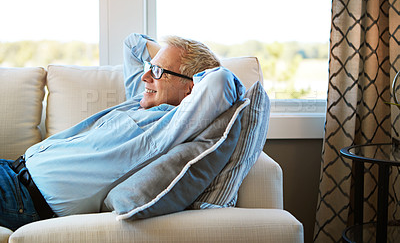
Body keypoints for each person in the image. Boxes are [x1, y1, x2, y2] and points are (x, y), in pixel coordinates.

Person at [0, 33, 245, 231]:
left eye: (158, 72)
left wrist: (191, 64)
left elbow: (220, 81)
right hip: (10, 169)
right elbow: (132, 43)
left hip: (20, 198)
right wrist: (167, 62)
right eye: (150, 67)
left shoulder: (171, 127)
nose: (145, 77)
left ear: (192, 89)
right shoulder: (141, 101)